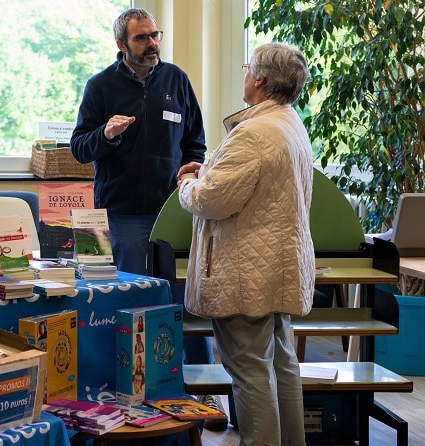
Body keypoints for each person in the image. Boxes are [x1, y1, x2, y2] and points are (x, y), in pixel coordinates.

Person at [70, 7, 225, 432]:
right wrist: (105, 134)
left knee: (182, 304)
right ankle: (135, 395)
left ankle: (198, 391)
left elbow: (196, 138)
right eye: (141, 38)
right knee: (131, 304)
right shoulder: (100, 86)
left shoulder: (175, 80)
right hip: (122, 215)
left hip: (174, 212)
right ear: (121, 45)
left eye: (155, 35)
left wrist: (193, 166)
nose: (152, 44)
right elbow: (79, 148)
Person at [178, 42, 315, 445]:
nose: (244, 75)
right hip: (279, 267)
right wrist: (211, 169)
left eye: (246, 69)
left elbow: (211, 200)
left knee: (251, 373)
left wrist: (189, 183)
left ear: (259, 79)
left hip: (246, 274)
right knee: (282, 366)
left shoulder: (254, 132)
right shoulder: (288, 121)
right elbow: (259, 182)